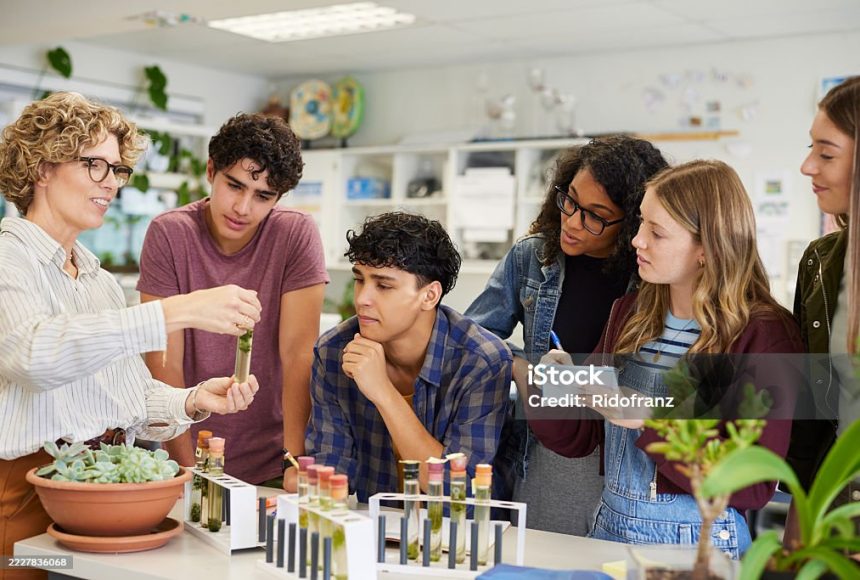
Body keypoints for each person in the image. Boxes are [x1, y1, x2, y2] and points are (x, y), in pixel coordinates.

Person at [0, 92, 260, 580]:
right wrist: (174, 312)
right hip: (27, 496)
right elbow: (33, 355)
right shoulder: (7, 258)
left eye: (117, 170)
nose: (111, 184)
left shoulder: (97, 280)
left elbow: (128, 400)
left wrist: (194, 399)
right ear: (42, 168)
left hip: (104, 490)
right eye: (94, 165)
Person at [529, 160, 803, 557]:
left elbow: (754, 485)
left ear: (707, 249)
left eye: (656, 232)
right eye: (641, 223)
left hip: (701, 543)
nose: (637, 240)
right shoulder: (628, 311)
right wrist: (557, 385)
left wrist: (651, 419)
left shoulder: (764, 334)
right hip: (608, 526)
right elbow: (578, 438)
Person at [464, 136, 668, 534]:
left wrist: (561, 379)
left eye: (595, 215)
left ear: (632, 224)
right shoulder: (533, 257)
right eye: (569, 200)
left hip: (621, 460)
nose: (572, 222)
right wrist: (521, 367)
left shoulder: (651, 277)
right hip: (545, 452)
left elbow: (652, 385)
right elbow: (477, 336)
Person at [137, 113, 328, 486]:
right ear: (211, 170)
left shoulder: (295, 234)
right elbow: (164, 362)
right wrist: (190, 470)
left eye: (263, 196)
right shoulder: (170, 233)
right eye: (235, 185)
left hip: (273, 460)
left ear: (280, 197)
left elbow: (298, 356)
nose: (243, 207)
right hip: (186, 456)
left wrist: (294, 461)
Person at [286, 212, 512, 499]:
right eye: (360, 280)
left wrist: (383, 393)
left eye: (383, 285)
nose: (362, 298)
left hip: (460, 538)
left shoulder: (482, 361)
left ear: (429, 296)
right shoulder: (334, 351)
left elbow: (458, 494)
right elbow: (331, 476)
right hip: (374, 529)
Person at [789, 75, 859, 533]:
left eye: (826, 153)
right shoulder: (820, 261)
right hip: (833, 510)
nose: (807, 166)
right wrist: (799, 519)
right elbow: (811, 414)